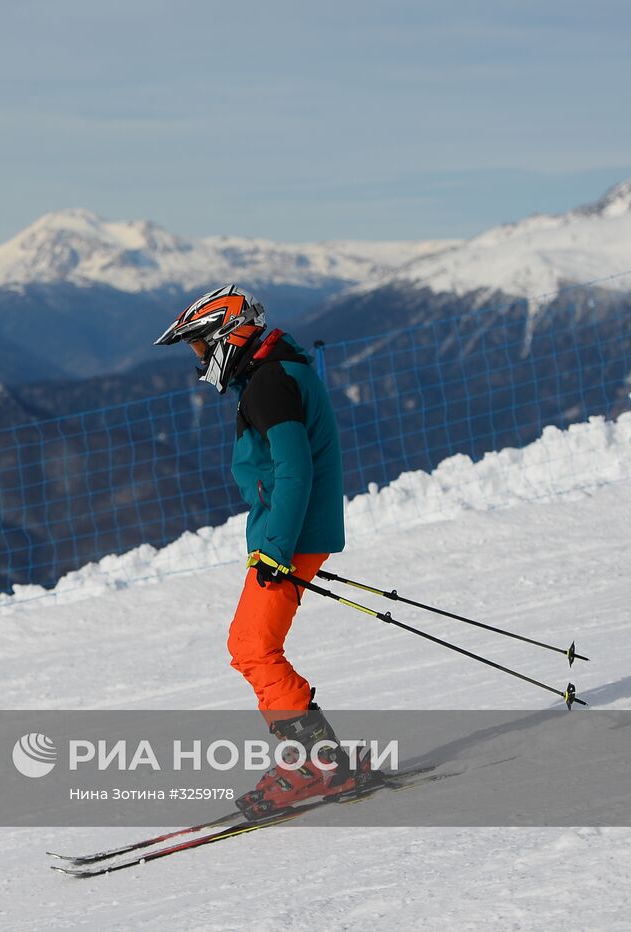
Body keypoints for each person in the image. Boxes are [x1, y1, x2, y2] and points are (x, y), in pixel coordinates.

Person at [154, 283, 363, 817]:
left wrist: (274, 549)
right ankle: (314, 760)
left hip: (287, 540)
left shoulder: (270, 384)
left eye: (200, 347)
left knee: (253, 649)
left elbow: (294, 470)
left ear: (227, 335)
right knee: (249, 646)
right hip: (289, 536)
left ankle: (315, 767)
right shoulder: (276, 372)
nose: (200, 362)